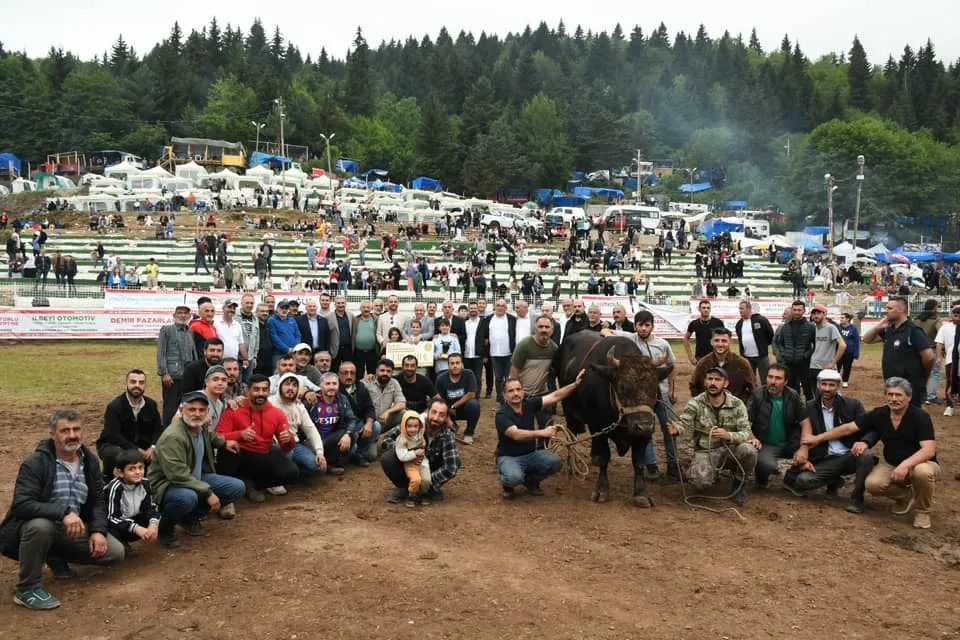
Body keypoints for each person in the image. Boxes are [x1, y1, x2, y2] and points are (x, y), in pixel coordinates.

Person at [0, 409, 125, 610]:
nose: (72, 435)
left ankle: (54, 556)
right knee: (40, 527)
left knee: (115, 552)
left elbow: (97, 501)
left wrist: (98, 531)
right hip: (36, 528)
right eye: (65, 430)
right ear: (52, 434)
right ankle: (27, 588)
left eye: (76, 429)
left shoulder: (90, 461)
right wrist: (64, 513)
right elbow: (21, 504)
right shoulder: (36, 463)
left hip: (72, 530)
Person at [814, 378, 939, 528]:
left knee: (922, 473)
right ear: (885, 395)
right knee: (873, 485)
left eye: (899, 395)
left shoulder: (920, 417)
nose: (894, 399)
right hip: (891, 463)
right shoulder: (880, 414)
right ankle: (906, 496)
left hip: (922, 462)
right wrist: (817, 438)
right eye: (890, 394)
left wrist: (906, 465)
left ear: (909, 397)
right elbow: (849, 428)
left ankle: (923, 512)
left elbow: (929, 449)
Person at [674, 367, 759, 505]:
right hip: (706, 451)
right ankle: (707, 473)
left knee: (748, 451)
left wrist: (728, 435)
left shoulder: (737, 404)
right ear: (705, 382)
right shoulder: (695, 403)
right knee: (699, 483)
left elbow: (745, 432)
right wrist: (676, 429)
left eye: (717, 380)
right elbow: (684, 423)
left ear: (725, 384)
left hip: (731, 450)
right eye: (710, 379)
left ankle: (739, 482)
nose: (713, 383)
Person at [495, 372, 585, 499]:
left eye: (518, 389)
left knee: (555, 462)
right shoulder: (502, 414)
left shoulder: (529, 404)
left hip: (531, 454)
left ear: (522, 391)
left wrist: (575, 385)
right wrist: (542, 433)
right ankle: (507, 483)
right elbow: (516, 434)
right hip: (509, 457)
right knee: (513, 477)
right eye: (511, 391)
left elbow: (555, 396)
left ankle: (530, 481)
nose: (515, 393)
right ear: (504, 395)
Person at [783, 369, 868, 498]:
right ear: (818, 385)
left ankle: (857, 498)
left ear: (838, 386)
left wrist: (864, 442)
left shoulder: (853, 405)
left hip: (849, 455)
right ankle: (834, 481)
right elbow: (798, 434)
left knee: (866, 456)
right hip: (824, 457)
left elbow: (867, 427)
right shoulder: (809, 407)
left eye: (831, 385)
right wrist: (801, 452)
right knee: (801, 481)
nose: (827, 389)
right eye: (824, 384)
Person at [216, 375, 300, 502]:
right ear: (247, 391)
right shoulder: (235, 409)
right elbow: (218, 436)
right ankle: (228, 498)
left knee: (292, 472)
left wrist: (289, 439)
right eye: (256, 389)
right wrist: (240, 435)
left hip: (262, 455)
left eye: (264, 389)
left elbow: (286, 447)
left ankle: (251, 485)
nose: (261, 393)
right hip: (239, 454)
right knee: (227, 449)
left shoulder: (277, 413)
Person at [381, 400, 461, 504]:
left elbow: (452, 467)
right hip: (409, 466)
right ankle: (405, 488)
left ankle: (426, 490)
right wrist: (409, 452)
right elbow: (386, 441)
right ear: (428, 412)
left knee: (455, 461)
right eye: (434, 412)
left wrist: (426, 482)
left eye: (441, 415)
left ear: (446, 418)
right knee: (388, 458)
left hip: (430, 471)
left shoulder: (447, 435)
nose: (436, 418)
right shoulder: (414, 424)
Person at [862, 296, 935, 408]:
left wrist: (923, 376)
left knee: (910, 418)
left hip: (910, 386)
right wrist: (878, 327)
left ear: (901, 310)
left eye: (890, 308)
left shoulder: (913, 331)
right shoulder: (889, 330)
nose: (886, 311)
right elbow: (866, 339)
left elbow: (929, 357)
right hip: (891, 385)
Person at [97, 369, 163, 479]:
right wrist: (136, 450)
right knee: (115, 454)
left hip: (144, 447)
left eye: (141, 383)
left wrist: (152, 448)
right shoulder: (114, 407)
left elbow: (158, 429)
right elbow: (113, 435)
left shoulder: (151, 405)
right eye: (133, 382)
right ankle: (108, 480)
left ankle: (150, 484)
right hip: (116, 445)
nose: (137, 385)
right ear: (126, 383)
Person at [747, 364, 805, 489]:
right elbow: (747, 421)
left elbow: (804, 421)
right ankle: (761, 480)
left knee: (815, 451)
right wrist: (752, 436)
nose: (773, 382)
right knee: (767, 466)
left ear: (786, 381)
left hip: (790, 442)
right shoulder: (757, 395)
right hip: (767, 444)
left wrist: (804, 446)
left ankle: (792, 479)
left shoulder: (793, 396)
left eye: (778, 378)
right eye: (770, 377)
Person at [269, 373, 327, 478]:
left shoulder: (299, 406)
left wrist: (319, 452)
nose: (290, 388)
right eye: (287, 384)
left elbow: (311, 429)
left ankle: (294, 470)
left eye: (294, 385)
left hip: (295, 445)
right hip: (275, 447)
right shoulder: (270, 403)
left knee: (320, 468)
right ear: (280, 386)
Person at [104, 450, 160, 556]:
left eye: (140, 467)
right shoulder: (115, 488)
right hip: (115, 524)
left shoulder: (145, 483)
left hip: (131, 520)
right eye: (131, 469)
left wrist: (153, 524)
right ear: (120, 472)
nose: (138, 472)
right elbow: (111, 518)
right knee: (109, 526)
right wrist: (136, 528)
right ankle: (120, 543)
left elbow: (150, 507)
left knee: (154, 518)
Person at [509, 315, 559, 428]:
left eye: (547, 327)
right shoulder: (524, 345)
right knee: (524, 427)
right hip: (524, 394)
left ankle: (543, 446)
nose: (544, 330)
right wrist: (517, 393)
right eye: (540, 327)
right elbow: (514, 371)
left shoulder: (553, 348)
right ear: (535, 328)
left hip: (542, 393)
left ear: (552, 330)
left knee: (547, 425)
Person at [309, 372, 363, 473]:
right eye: (328, 384)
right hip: (312, 441)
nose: (331, 387)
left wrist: (347, 434)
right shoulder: (312, 399)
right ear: (321, 385)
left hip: (330, 439)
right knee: (315, 469)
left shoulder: (342, 399)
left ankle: (333, 463)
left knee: (352, 434)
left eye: (334, 384)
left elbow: (352, 418)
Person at [157, 304, 198, 427]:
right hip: (172, 376)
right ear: (174, 315)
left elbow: (193, 353)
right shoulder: (167, 330)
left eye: (186, 313)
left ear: (190, 316)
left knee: (186, 406)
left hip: (187, 376)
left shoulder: (190, 332)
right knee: (170, 408)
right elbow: (161, 352)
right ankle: (167, 433)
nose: (183, 315)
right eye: (180, 313)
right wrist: (164, 373)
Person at [689, 328, 756, 403]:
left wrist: (743, 404)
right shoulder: (703, 363)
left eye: (724, 341)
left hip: (735, 409)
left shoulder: (742, 364)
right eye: (716, 340)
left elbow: (752, 388)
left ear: (730, 342)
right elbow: (694, 386)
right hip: (709, 408)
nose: (720, 344)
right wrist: (703, 404)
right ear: (711, 342)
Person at [337, 360, 378, 466]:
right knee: (351, 448)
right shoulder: (334, 388)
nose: (349, 376)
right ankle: (348, 454)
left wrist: (368, 424)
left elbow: (369, 408)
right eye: (345, 373)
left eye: (352, 373)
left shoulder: (361, 387)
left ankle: (360, 454)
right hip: (342, 428)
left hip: (358, 423)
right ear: (339, 374)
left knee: (376, 426)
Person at [477, 298, 518, 404]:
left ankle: (509, 399)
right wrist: (485, 354)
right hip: (494, 354)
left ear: (506, 308)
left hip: (509, 353)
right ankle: (500, 399)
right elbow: (485, 338)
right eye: (498, 305)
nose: (500, 307)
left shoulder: (512, 319)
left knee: (508, 378)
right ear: (495, 307)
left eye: (502, 306)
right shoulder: (488, 319)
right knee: (498, 378)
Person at [773, 300, 816, 399]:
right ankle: (794, 409)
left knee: (808, 390)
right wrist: (784, 353)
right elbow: (780, 343)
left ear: (804, 311)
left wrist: (806, 355)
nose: (797, 312)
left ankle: (811, 411)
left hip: (804, 364)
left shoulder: (810, 327)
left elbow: (815, 345)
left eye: (799, 310)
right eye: (794, 310)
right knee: (790, 390)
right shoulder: (785, 327)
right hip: (788, 363)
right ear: (792, 310)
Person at [435, 353, 481, 444]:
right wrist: (448, 415)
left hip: (464, 408)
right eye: (452, 363)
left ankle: (469, 433)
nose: (455, 366)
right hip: (448, 410)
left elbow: (472, 394)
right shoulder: (441, 378)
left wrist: (454, 406)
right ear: (448, 365)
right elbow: (438, 400)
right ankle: (452, 427)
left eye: (457, 363)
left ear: (462, 364)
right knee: (437, 408)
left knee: (474, 404)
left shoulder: (469, 374)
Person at [394, 411, 433, 507]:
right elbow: (401, 456)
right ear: (404, 426)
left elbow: (423, 417)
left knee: (427, 480)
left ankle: (423, 494)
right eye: (409, 426)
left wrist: (423, 444)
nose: (413, 429)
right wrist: (414, 453)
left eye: (416, 426)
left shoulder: (420, 432)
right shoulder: (402, 439)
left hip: (422, 461)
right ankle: (412, 495)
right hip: (410, 463)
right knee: (416, 479)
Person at [735, 300, 774, 383]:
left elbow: (770, 334)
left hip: (762, 357)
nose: (740, 311)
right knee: (749, 380)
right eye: (739, 309)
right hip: (747, 357)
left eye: (742, 308)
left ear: (749, 309)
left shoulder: (761, 320)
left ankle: (766, 395)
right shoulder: (739, 324)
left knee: (765, 379)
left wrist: (763, 346)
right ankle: (752, 395)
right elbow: (740, 338)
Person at [365, 358, 407, 431]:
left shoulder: (394, 383)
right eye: (382, 370)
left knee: (404, 414)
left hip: (384, 421)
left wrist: (388, 412)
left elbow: (402, 403)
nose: (385, 373)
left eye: (388, 371)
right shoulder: (367, 382)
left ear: (392, 373)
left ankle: (388, 436)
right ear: (376, 371)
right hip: (368, 422)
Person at [808, 305, 846, 385]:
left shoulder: (831, 328)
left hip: (826, 366)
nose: (815, 315)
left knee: (827, 392)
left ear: (825, 314)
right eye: (814, 313)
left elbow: (842, 345)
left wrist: (833, 362)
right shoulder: (811, 328)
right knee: (814, 393)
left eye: (818, 313)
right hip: (812, 365)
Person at [915, 298, 942, 403]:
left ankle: (920, 395)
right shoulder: (936, 320)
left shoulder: (917, 319)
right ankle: (931, 397)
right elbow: (940, 333)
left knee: (920, 373)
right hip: (932, 349)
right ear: (934, 308)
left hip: (918, 350)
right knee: (935, 373)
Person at [935, 305, 960, 417]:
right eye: (955, 315)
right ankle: (949, 406)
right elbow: (939, 343)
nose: (957, 318)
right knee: (950, 382)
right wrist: (939, 357)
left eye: (959, 316)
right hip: (951, 359)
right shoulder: (945, 328)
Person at [683, 300, 725, 364]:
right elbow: (686, 338)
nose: (706, 310)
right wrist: (690, 357)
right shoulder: (694, 323)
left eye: (708, 308)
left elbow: (725, 339)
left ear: (710, 309)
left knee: (715, 374)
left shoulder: (718, 323)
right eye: (704, 308)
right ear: (699, 309)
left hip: (715, 357)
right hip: (699, 358)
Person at [267, 300, 302, 369]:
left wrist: (295, 348)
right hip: (278, 354)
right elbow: (274, 337)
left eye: (286, 308)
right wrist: (286, 349)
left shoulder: (292, 320)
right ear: (277, 309)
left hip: (293, 353)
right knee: (277, 374)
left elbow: (298, 335)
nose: (284, 310)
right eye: (282, 308)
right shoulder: (271, 320)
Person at [351, 300, 381, 377]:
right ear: (360, 309)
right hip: (358, 352)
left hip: (372, 352)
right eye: (364, 307)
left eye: (368, 307)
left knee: (372, 374)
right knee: (358, 374)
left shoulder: (376, 319)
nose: (366, 309)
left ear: (371, 309)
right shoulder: (355, 319)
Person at [214, 299, 247, 366]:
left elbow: (241, 344)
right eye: (229, 307)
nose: (232, 310)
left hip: (233, 362)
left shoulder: (237, 325)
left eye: (234, 308)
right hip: (218, 361)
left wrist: (245, 358)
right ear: (223, 308)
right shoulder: (215, 323)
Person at [837, 312, 860, 388]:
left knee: (847, 367)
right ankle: (835, 380)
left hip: (849, 351)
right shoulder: (838, 327)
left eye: (842, 318)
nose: (841, 319)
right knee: (837, 366)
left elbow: (857, 341)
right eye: (840, 318)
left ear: (848, 319)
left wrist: (856, 353)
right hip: (839, 351)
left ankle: (845, 381)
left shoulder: (853, 329)